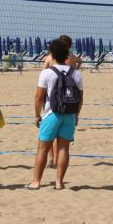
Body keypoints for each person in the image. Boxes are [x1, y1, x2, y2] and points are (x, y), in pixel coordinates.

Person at [27, 40, 84, 190]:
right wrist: (76, 115)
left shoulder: (46, 73)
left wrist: (37, 115)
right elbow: (80, 98)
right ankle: (59, 182)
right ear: (66, 54)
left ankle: (36, 181)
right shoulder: (76, 73)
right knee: (64, 148)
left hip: (51, 113)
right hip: (70, 114)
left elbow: (39, 97)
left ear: (52, 54)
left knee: (42, 148)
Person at [42, 35, 80, 168]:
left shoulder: (49, 58)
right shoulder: (71, 59)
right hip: (69, 98)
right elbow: (76, 68)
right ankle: (57, 160)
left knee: (50, 133)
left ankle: (52, 159)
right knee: (63, 139)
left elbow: (44, 71)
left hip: (52, 97)